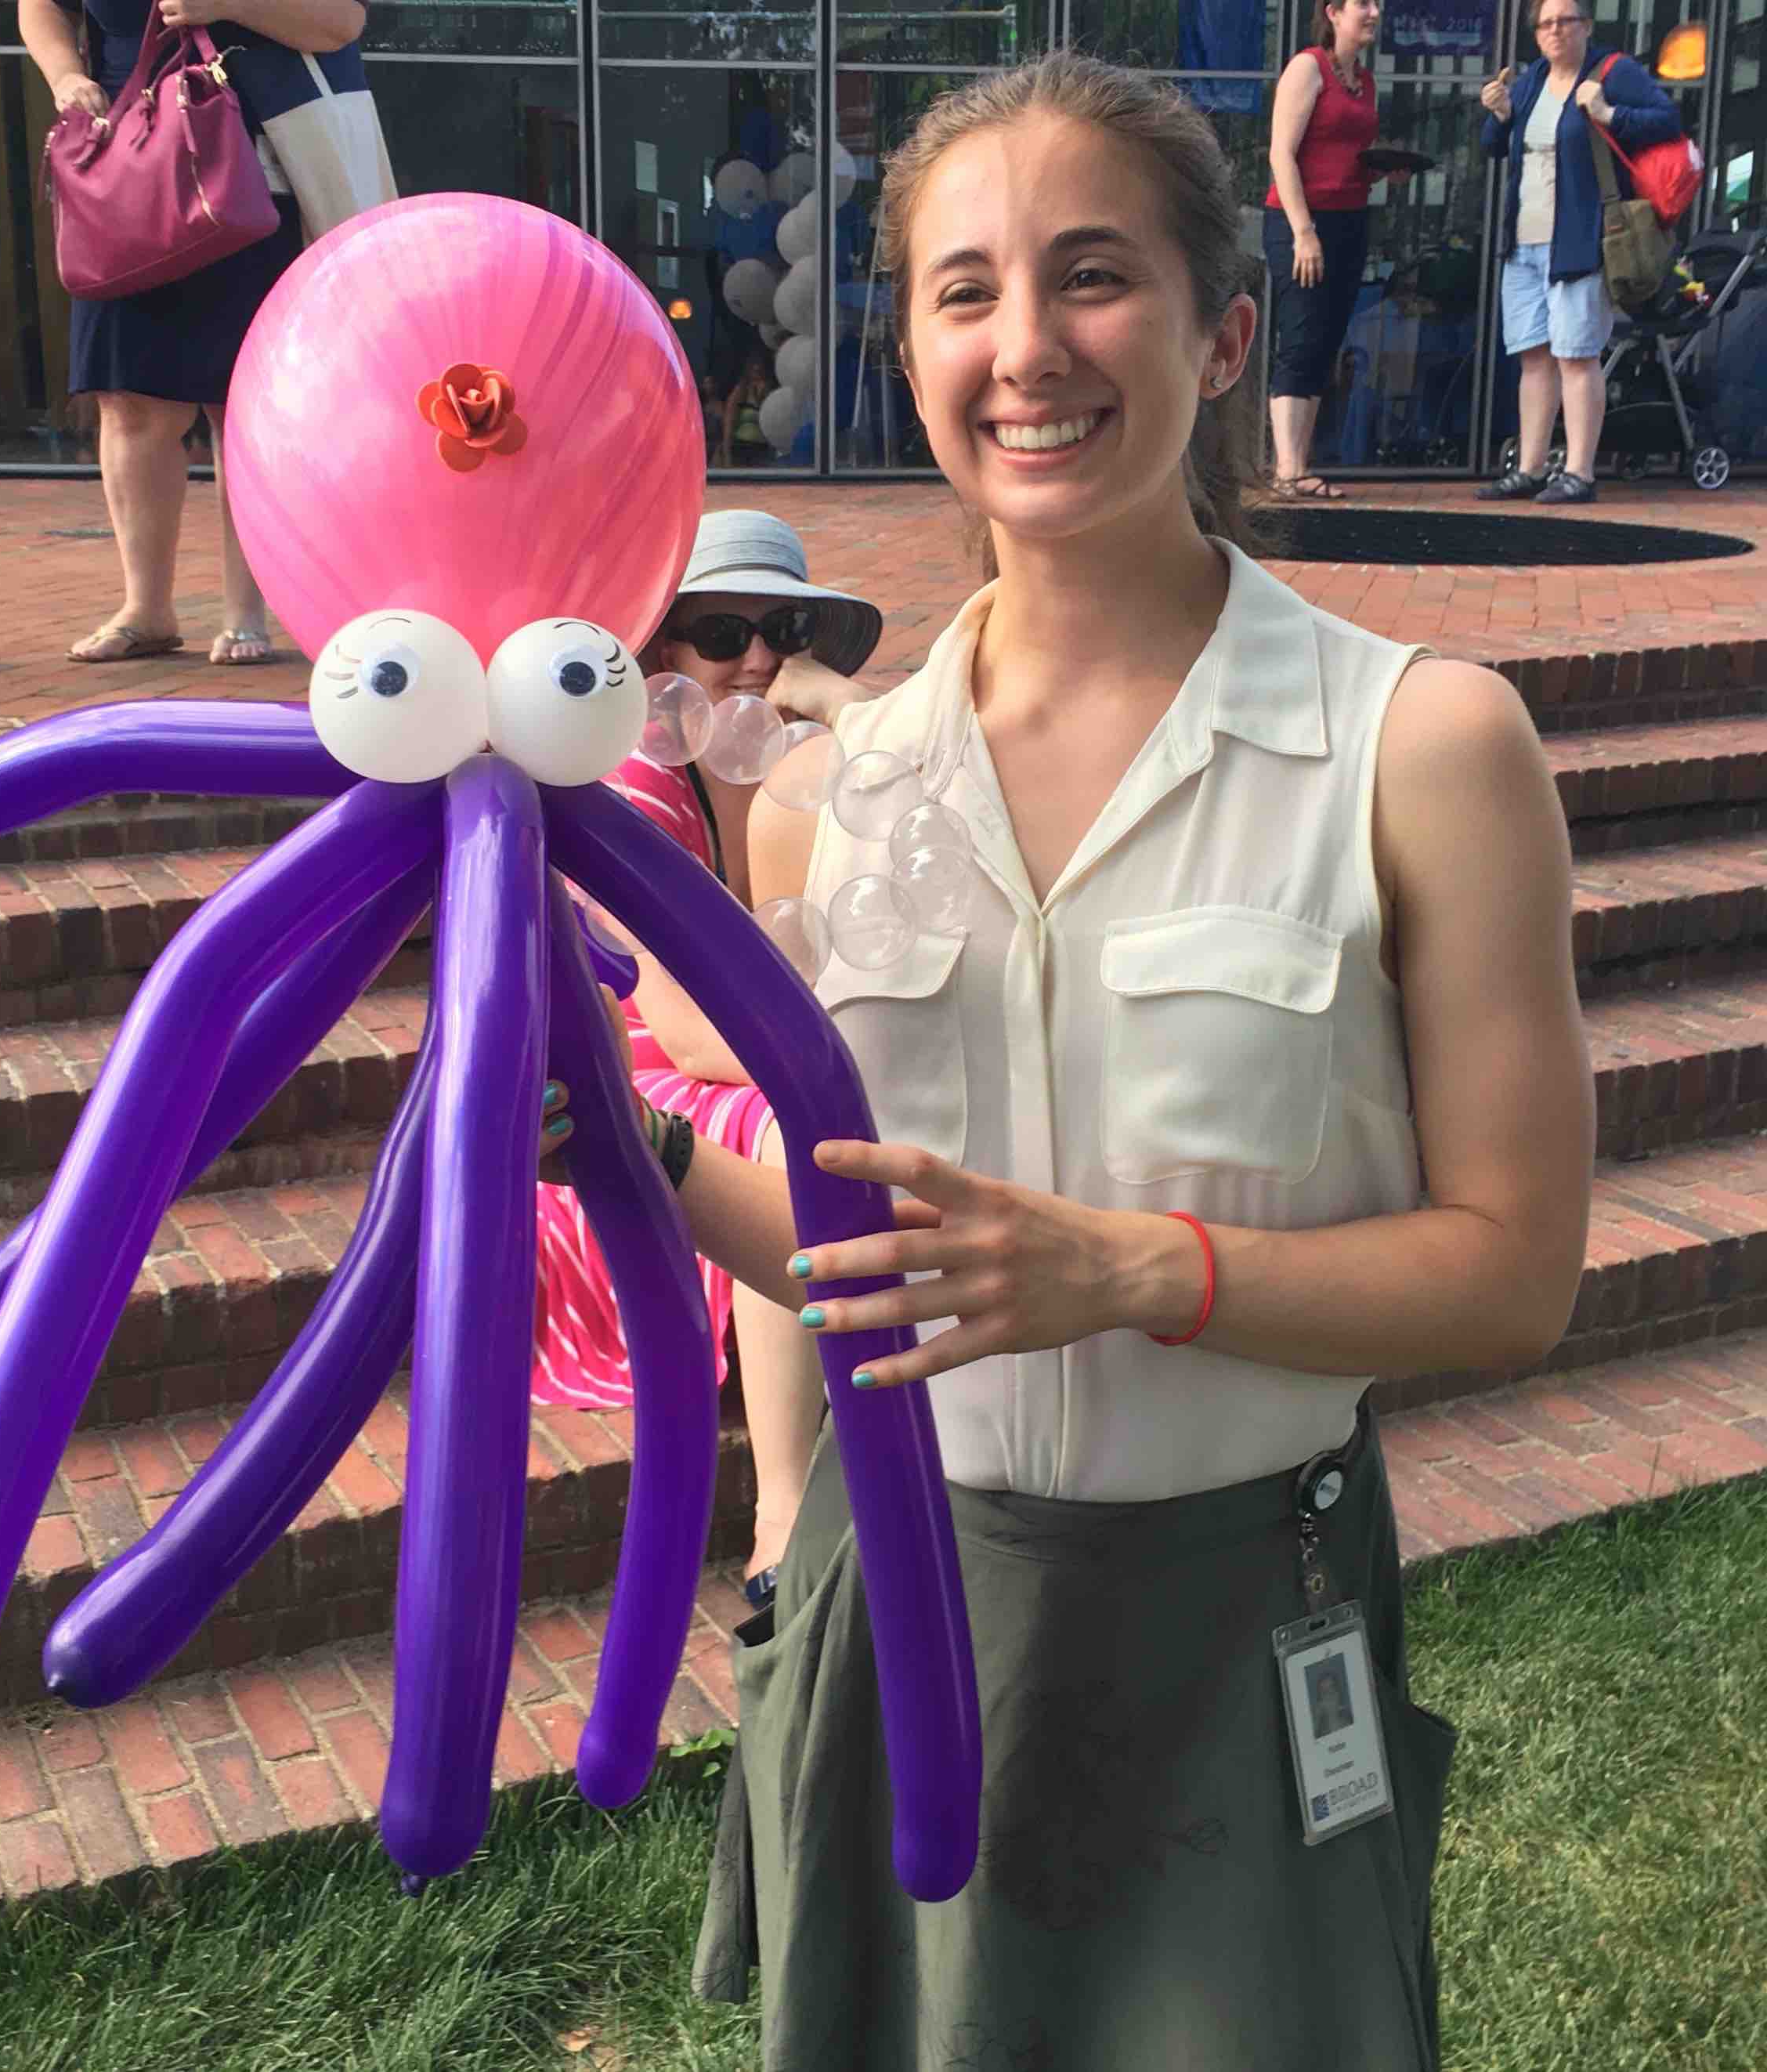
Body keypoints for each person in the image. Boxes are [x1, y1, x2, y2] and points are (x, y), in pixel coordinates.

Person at [545, 52, 1592, 2066]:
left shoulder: (1421, 746)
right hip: (897, 1594)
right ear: (912, 351)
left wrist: (1133, 1267)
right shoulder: (828, 796)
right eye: (965, 290)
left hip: (1236, 1605)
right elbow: (864, 1248)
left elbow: (1512, 1271)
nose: (1025, 345)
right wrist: (624, 1141)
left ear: (1224, 334)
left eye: (1093, 274)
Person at [533, 509, 882, 1607]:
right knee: (799, 1133)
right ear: (661, 655)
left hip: (746, 1052)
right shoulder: (631, 784)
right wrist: (840, 1071)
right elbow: (682, 1032)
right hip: (629, 1091)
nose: (761, 659)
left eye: (786, 631)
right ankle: (780, 1507)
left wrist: (839, 713)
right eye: (725, 634)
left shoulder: (778, 768)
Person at [16, 0, 369, 667]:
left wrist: (226, 4)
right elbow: (40, 7)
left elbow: (341, 23)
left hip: (260, 170)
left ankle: (246, 611)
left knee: (245, 406)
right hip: (131, 166)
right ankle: (145, 608)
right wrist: (66, 77)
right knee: (129, 399)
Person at [1476, 0, 1681, 504]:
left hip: (1578, 242)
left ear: (1586, 26)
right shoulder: (1531, 80)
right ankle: (1530, 468)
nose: (1554, 31)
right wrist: (1499, 115)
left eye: (1565, 21)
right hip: (1524, 242)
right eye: (1545, 24)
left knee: (1576, 356)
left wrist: (1609, 114)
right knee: (1534, 358)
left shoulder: (1614, 72)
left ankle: (1579, 472)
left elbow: (1668, 120)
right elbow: (1495, 147)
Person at [1263, 0, 1404, 498]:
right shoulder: (1307, 68)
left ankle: (1300, 466)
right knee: (1301, 337)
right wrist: (1303, 232)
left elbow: (1345, 159)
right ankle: (1287, 471)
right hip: (1301, 222)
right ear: (1333, 13)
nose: (1374, 12)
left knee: (1326, 343)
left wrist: (1383, 171)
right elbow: (1281, 153)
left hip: (1349, 222)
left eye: (1377, 4)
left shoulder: (1364, 81)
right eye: (1363, 4)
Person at [717, 356, 773, 469]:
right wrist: (727, 454)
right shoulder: (741, 391)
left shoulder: (768, 393)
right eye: (754, 371)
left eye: (760, 371)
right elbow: (729, 423)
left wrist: (762, 395)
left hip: (762, 449)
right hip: (742, 447)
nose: (757, 374)